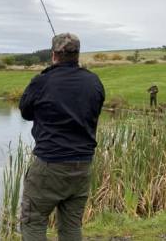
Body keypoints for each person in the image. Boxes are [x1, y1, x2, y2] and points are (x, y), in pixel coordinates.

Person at [18, 33, 105, 241]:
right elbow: (94, 111)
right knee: (72, 226)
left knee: (33, 222)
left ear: (54, 54)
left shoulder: (42, 82)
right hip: (82, 166)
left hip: (49, 165)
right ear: (77, 55)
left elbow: (25, 112)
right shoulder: (94, 82)